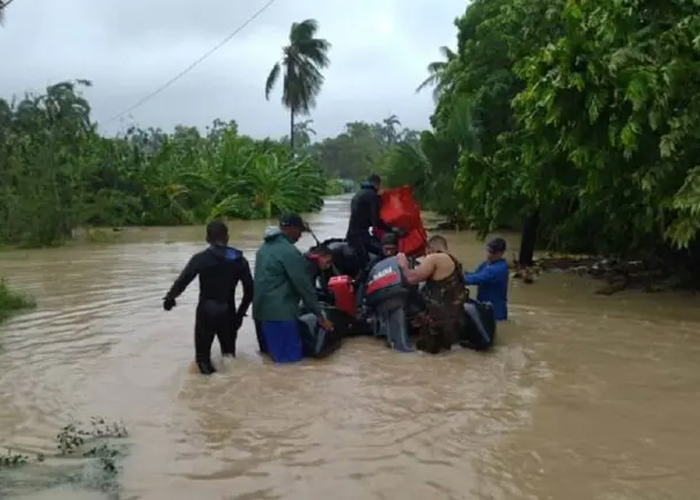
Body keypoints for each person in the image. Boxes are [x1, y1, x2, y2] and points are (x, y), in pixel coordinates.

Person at [162, 220, 253, 375]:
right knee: (229, 356)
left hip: (206, 312)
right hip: (228, 312)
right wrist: (240, 314)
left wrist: (170, 298)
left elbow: (183, 281)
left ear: (207, 238)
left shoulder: (200, 258)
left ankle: (209, 385)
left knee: (202, 359)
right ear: (227, 237)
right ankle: (231, 386)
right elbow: (250, 290)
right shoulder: (238, 259)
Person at [252, 213, 334, 363]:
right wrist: (320, 317)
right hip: (280, 315)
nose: (300, 236)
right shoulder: (289, 252)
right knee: (290, 365)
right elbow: (304, 287)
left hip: (260, 314)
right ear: (291, 229)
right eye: (299, 231)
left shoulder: (264, 249)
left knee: (272, 360)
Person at [396, 235, 467, 354]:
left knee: (427, 359)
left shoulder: (434, 258)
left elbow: (412, 278)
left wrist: (404, 265)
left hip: (437, 324)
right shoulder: (454, 262)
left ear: (429, 248)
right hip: (454, 320)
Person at [345, 174, 395, 270]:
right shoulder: (372, 196)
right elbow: (375, 221)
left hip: (352, 234)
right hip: (360, 237)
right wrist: (391, 228)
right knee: (382, 252)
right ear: (377, 184)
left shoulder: (359, 193)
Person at [463, 237, 509, 321]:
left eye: (493, 252)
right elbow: (475, 275)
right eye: (489, 251)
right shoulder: (486, 264)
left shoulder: (498, 269)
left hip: (495, 312)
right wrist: (464, 273)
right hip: (484, 306)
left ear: (501, 253)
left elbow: (474, 279)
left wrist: (455, 277)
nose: (489, 254)